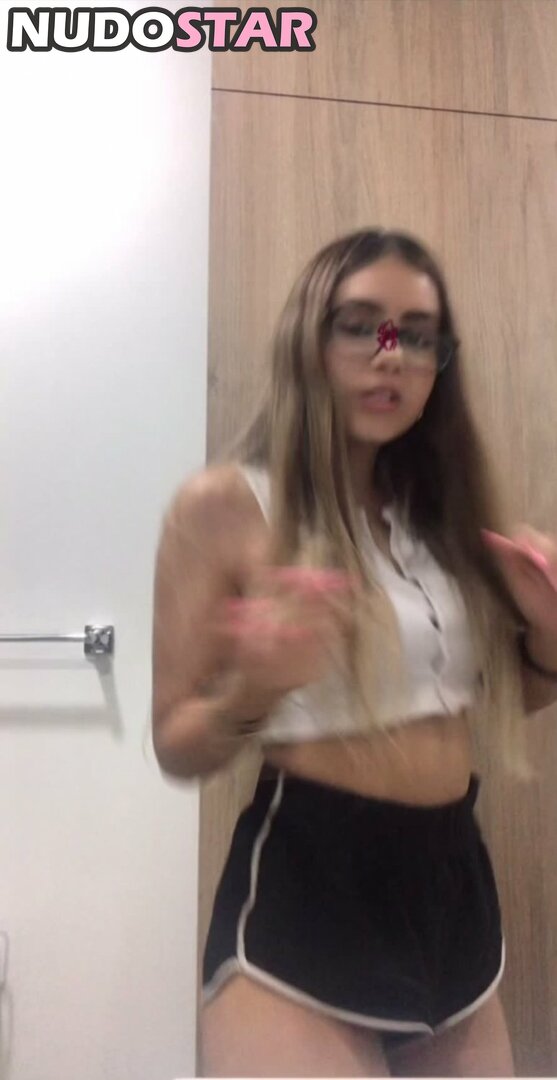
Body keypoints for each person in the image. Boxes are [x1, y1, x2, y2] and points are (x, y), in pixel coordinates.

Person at [151, 229, 557, 1078]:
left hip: (451, 894)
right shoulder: (225, 505)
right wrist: (249, 690)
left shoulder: (442, 517)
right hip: (306, 897)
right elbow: (175, 744)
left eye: (418, 335)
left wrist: (549, 638)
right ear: (309, 338)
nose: (391, 354)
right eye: (362, 324)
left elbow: (482, 703)